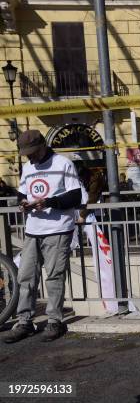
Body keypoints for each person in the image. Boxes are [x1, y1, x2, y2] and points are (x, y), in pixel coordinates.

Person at [3, 129, 82, 344]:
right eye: (26, 153)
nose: (29, 156)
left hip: (58, 229)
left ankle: (55, 320)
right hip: (33, 229)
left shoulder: (63, 164)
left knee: (55, 276)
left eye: (32, 152)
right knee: (25, 277)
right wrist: (23, 203)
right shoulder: (28, 167)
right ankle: (24, 322)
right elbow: (22, 192)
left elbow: (76, 196)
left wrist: (47, 202)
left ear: (43, 146)